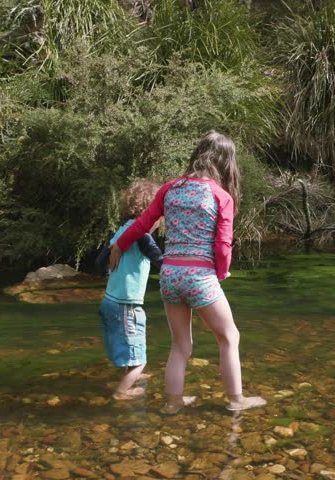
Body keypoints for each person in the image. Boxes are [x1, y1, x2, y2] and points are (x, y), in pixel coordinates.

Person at [109, 131, 266, 414]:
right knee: (229, 337)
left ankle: (173, 403)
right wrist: (222, 272)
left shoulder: (170, 188)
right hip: (200, 277)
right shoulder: (221, 196)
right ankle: (236, 400)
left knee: (180, 346)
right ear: (225, 163)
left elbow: (143, 223)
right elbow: (223, 244)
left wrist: (119, 244)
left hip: (170, 275)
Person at [95, 180, 164, 400]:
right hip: (126, 305)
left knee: (128, 347)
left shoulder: (121, 232)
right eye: (159, 216)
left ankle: (131, 374)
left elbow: (99, 263)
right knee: (140, 358)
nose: (159, 222)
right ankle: (121, 391)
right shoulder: (142, 236)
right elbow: (161, 262)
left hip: (109, 301)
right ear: (150, 213)